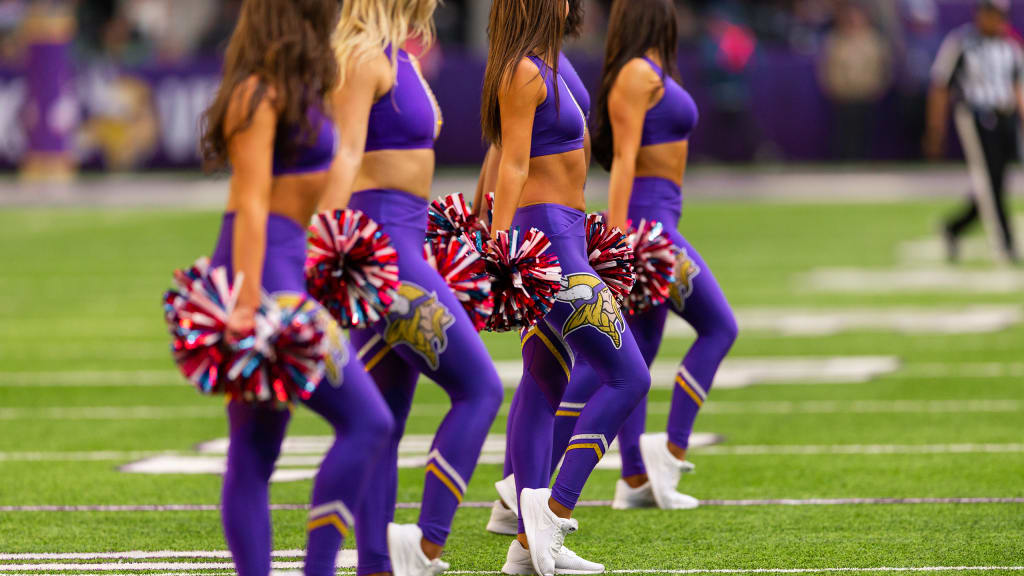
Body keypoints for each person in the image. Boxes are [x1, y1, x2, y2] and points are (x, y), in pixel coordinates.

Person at [197, 2, 394, 575]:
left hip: (288, 264)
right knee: (366, 422)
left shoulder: (300, 85)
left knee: (258, 449)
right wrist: (245, 303)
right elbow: (252, 201)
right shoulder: (255, 94)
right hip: (259, 275)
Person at [323, 2, 505, 575]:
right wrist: (325, 253)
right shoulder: (359, 57)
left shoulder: (401, 54)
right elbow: (344, 156)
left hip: (410, 239)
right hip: (385, 254)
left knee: (384, 415)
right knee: (480, 390)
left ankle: (376, 563)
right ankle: (425, 543)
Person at [482, 1, 652, 574]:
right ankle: (553, 513)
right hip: (551, 247)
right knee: (629, 376)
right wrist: (498, 250)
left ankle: (528, 547)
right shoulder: (523, 71)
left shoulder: (538, 63)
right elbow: (510, 163)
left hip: (567, 238)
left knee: (545, 375)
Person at [553, 0, 738, 511]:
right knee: (720, 327)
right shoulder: (635, 73)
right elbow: (625, 161)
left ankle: (634, 478)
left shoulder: (650, 68)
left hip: (661, 222)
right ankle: (671, 450)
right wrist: (619, 242)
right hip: (649, 231)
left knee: (637, 353)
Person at [926, 0, 1022, 263]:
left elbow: (1018, 88)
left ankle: (954, 227)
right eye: (992, 13)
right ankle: (1005, 245)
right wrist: (936, 128)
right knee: (989, 181)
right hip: (977, 117)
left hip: (1005, 119)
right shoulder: (961, 43)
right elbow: (941, 86)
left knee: (995, 182)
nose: (996, 20)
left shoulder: (1010, 47)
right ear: (980, 14)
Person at [819, 1, 891, 161]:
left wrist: (878, 87)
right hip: (843, 97)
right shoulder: (836, 40)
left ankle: (863, 162)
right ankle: (843, 162)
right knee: (844, 134)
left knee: (864, 134)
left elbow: (884, 68)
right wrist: (833, 88)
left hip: (867, 95)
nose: (854, 19)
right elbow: (827, 68)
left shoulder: (875, 41)